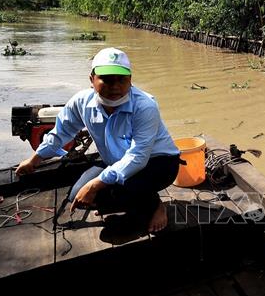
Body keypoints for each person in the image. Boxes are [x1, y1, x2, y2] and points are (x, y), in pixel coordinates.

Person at [15, 47, 180, 233]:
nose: (115, 86)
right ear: (91, 79)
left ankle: (155, 205)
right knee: (77, 195)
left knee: (107, 194)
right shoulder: (82, 102)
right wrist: (34, 160)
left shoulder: (145, 106)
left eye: (122, 79)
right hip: (118, 161)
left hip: (159, 162)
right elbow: (61, 133)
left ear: (130, 80)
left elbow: (138, 156)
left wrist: (96, 184)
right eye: (107, 79)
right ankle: (132, 197)